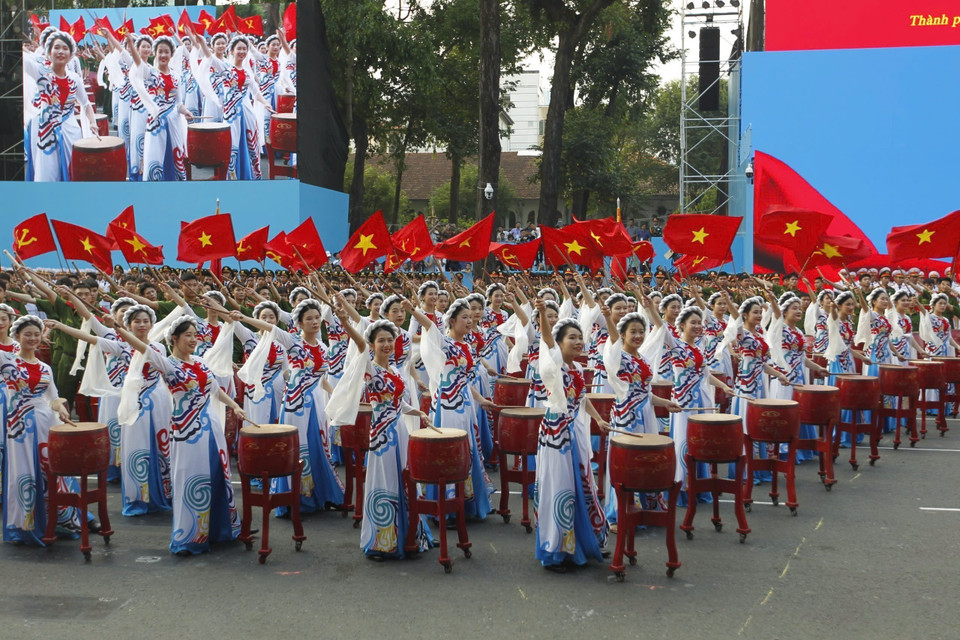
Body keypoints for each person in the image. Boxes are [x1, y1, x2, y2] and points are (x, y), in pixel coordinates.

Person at [113, 315, 242, 555]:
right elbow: (143, 348)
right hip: (187, 431)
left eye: (195, 335)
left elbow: (214, 390)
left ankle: (222, 530)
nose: (193, 340)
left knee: (218, 476)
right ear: (175, 338)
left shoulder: (201, 362)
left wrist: (234, 405)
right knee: (191, 480)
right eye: (188, 335)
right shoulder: (168, 364)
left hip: (212, 428)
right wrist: (122, 331)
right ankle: (190, 536)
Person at [327, 303, 434, 559]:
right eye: (381, 341)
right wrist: (345, 323)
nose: (386, 344)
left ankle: (411, 534)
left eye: (390, 340)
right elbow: (360, 346)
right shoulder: (370, 369)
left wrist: (418, 412)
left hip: (400, 431)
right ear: (373, 344)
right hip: (382, 435)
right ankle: (383, 541)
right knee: (385, 481)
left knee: (405, 480)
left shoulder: (395, 370)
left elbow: (400, 403)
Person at [230, 299, 345, 513]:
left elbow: (321, 379)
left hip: (317, 404)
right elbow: (271, 328)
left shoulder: (322, 346)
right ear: (299, 323)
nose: (314, 321)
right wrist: (243, 318)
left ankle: (322, 494)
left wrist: (338, 394)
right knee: (299, 449)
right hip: (296, 404)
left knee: (319, 446)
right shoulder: (292, 342)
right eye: (309, 318)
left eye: (317, 317)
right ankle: (296, 498)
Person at [532, 299, 609, 571]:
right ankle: (556, 550)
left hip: (572, 433)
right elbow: (546, 340)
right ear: (559, 342)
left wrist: (599, 419)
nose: (578, 342)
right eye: (571, 338)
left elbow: (583, 398)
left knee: (581, 486)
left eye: (580, 337)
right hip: (555, 435)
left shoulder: (576, 369)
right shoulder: (552, 366)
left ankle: (582, 541)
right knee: (560, 489)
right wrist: (543, 314)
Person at [407, 296, 495, 520]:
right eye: (464, 317)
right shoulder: (444, 342)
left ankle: (467, 504)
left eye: (470, 316)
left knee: (469, 449)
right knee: (451, 451)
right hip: (447, 405)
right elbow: (428, 326)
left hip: (465, 404)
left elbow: (465, 380)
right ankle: (447, 507)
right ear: (452, 321)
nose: (469, 320)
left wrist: (481, 400)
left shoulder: (466, 345)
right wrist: (413, 311)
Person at [2, 315, 84, 545]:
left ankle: (57, 519)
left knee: (51, 472)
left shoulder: (45, 367)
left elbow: (54, 398)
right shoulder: (7, 361)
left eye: (36, 334)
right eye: (27, 334)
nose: (32, 338)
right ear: (16, 336)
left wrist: (62, 409)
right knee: (24, 472)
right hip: (19, 427)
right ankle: (26, 523)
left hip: (47, 423)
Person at [190, 26, 274, 180]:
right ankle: (232, 176)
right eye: (239, 49)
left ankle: (251, 176)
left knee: (250, 143)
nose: (242, 52)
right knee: (232, 145)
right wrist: (202, 43)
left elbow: (256, 92)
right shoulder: (226, 68)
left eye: (244, 49)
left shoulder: (248, 72)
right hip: (231, 113)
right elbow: (211, 57)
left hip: (247, 111)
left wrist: (265, 103)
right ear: (232, 50)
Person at [26, 30, 98, 182]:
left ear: (71, 53)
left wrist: (92, 122)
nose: (60, 52)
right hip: (47, 133)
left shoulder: (75, 78)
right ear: (49, 51)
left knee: (72, 173)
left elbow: (86, 105)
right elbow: (23, 60)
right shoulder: (41, 72)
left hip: (71, 131)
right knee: (47, 175)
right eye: (56, 47)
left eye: (65, 48)